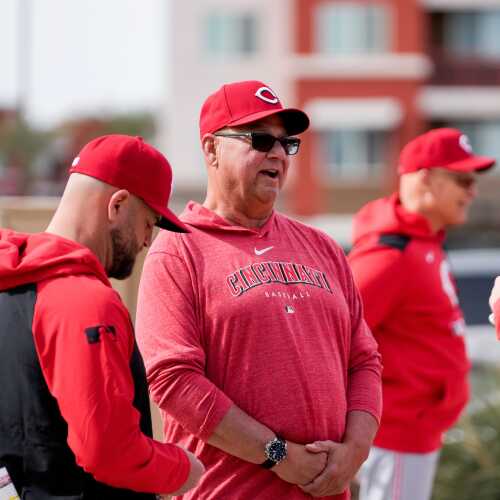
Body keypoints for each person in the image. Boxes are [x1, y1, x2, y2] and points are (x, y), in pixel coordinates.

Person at [135, 80, 382, 500]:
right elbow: (172, 381)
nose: (277, 153)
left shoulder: (322, 247)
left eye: (287, 144)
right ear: (211, 149)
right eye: (261, 139)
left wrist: (355, 451)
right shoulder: (178, 250)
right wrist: (278, 455)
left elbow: (364, 361)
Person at [0, 135, 205, 499]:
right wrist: (183, 469)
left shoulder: (9, 284)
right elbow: (109, 450)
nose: (147, 241)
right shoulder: (84, 301)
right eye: (149, 222)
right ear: (118, 205)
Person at [348, 128, 496, 500]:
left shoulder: (424, 241)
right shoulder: (389, 255)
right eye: (463, 180)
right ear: (427, 178)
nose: (472, 192)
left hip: (416, 432)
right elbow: (331, 342)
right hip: (395, 435)